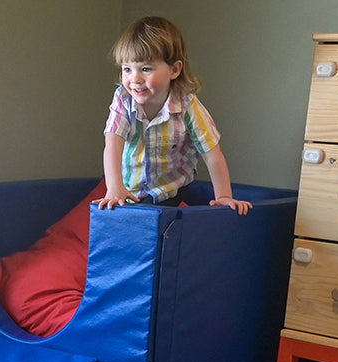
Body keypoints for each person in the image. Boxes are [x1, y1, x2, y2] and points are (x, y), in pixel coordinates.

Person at [95, 16, 251, 214]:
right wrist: (114, 187)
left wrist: (223, 196)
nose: (135, 79)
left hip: (173, 189)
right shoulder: (124, 99)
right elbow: (112, 143)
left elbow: (212, 152)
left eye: (145, 69)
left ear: (174, 70)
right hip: (131, 188)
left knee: (165, 230)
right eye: (127, 69)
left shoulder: (187, 104)